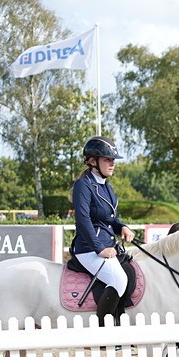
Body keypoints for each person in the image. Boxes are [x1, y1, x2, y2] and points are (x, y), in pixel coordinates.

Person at [71, 136, 135, 324]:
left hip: (108, 245)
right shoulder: (83, 185)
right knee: (119, 280)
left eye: (113, 160)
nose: (112, 163)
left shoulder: (107, 187)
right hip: (88, 248)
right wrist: (99, 248)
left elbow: (110, 218)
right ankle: (101, 330)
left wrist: (122, 226)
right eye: (108, 159)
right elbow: (83, 220)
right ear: (92, 161)